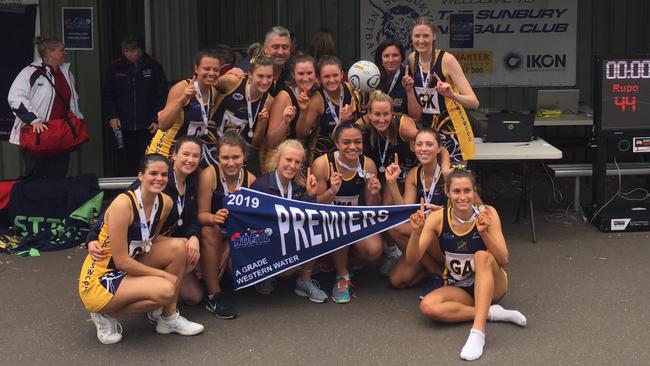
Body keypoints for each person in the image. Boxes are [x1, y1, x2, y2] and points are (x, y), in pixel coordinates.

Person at [79, 154, 203, 344]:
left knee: (180, 247)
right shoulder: (123, 204)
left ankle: (168, 318)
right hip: (102, 275)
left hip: (130, 263)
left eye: (163, 174)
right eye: (153, 173)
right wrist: (162, 275)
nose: (159, 179)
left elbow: (150, 240)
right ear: (140, 176)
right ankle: (106, 314)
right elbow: (121, 261)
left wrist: (188, 247)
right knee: (166, 290)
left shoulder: (165, 203)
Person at [406, 169, 526, 361]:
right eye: (457, 191)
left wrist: (485, 233)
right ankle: (490, 313)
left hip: (494, 285)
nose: (462, 197)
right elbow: (412, 259)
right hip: (460, 285)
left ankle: (478, 333)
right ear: (447, 193)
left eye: (467, 191)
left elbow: (503, 260)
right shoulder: (437, 218)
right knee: (428, 307)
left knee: (482, 257)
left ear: (474, 191)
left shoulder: (488, 213)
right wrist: (415, 233)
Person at [88, 136, 205, 306]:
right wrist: (92, 237)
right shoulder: (157, 180)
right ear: (174, 155)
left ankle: (153, 294)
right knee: (177, 255)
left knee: (194, 296)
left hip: (158, 242)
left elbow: (191, 219)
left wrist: (194, 236)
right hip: (140, 246)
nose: (190, 160)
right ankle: (158, 301)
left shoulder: (192, 182)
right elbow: (116, 209)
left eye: (195, 156)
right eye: (186, 154)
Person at [311, 122, 382, 303]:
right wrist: (332, 191)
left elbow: (373, 207)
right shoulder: (322, 164)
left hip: (354, 218)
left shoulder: (368, 164)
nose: (353, 147)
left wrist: (374, 193)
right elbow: (314, 205)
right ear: (337, 143)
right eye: (346, 142)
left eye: (358, 142)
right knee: (339, 225)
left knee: (374, 251)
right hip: (327, 220)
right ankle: (342, 276)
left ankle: (346, 258)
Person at [250, 139, 327, 302]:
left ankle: (304, 281)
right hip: (266, 241)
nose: (292, 165)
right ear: (278, 159)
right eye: (288, 160)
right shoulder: (261, 185)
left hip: (289, 239)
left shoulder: (299, 186)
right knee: (286, 268)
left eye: (297, 162)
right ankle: (265, 274)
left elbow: (308, 217)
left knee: (315, 227)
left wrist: (310, 196)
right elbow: (251, 222)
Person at [383, 128, 450, 295]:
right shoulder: (414, 174)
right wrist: (392, 183)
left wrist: (443, 212)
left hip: (445, 236)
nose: (424, 148)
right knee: (397, 280)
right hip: (424, 233)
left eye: (429, 144)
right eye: (419, 144)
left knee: (397, 230)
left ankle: (440, 273)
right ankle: (437, 272)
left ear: (439, 148)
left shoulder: (449, 173)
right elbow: (405, 210)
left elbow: (472, 207)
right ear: (414, 147)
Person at [198, 132, 256, 319]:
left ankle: (224, 278)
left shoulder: (251, 181)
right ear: (218, 157)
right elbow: (200, 215)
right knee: (210, 228)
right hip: (212, 232)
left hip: (236, 238)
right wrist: (214, 217)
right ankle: (214, 295)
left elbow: (251, 223)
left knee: (233, 266)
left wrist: (229, 248)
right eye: (225, 158)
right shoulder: (209, 175)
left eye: (236, 157)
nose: (231, 163)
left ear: (244, 156)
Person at [8, 36, 83, 179]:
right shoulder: (30, 72)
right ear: (49, 53)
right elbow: (15, 97)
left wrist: (77, 120)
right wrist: (33, 120)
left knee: (58, 175)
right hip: (38, 134)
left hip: (60, 133)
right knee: (35, 177)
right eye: (61, 50)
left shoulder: (67, 73)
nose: (65, 53)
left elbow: (73, 100)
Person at [407, 16, 479, 163]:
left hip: (451, 129)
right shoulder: (412, 59)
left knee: (453, 181)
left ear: (434, 36)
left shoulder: (447, 60)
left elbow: (474, 103)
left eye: (426, 36)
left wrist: (452, 95)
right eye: (417, 36)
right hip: (427, 131)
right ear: (411, 37)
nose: (421, 40)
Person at [103, 33, 167, 176]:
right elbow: (108, 95)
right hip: (123, 124)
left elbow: (162, 95)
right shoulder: (115, 68)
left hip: (148, 124)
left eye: (132, 51)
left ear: (140, 50)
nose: (129, 54)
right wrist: (112, 116)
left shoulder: (154, 66)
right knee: (124, 160)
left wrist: (157, 119)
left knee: (148, 158)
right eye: (126, 51)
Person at [147, 48, 220, 167]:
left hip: (188, 157)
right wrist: (181, 100)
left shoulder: (214, 92)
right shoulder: (182, 88)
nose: (212, 73)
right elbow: (163, 124)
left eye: (216, 70)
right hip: (165, 154)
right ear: (196, 68)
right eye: (206, 69)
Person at [213, 55, 274, 176]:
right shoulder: (233, 82)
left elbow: (255, 143)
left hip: (239, 153)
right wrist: (225, 74)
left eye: (269, 77)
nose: (265, 81)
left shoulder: (269, 101)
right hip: (213, 142)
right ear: (250, 74)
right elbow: (209, 87)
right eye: (260, 76)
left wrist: (262, 123)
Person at [298, 55, 358, 160]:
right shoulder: (317, 99)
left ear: (342, 74)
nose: (331, 80)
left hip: (350, 149)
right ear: (319, 78)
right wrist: (303, 111)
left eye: (335, 75)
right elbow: (301, 133)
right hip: (323, 153)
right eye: (326, 76)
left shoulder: (351, 89)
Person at [266, 54, 317, 154]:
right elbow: (271, 142)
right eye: (301, 74)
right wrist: (285, 123)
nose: (305, 78)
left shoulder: (317, 95)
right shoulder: (284, 97)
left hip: (306, 157)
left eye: (309, 73)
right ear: (293, 75)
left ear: (316, 74)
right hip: (284, 158)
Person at [373, 39, 419, 117]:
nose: (391, 60)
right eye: (386, 56)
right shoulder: (373, 78)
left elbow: (416, 116)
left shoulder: (410, 78)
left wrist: (409, 90)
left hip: (402, 126)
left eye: (395, 55)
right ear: (380, 58)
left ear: (401, 57)